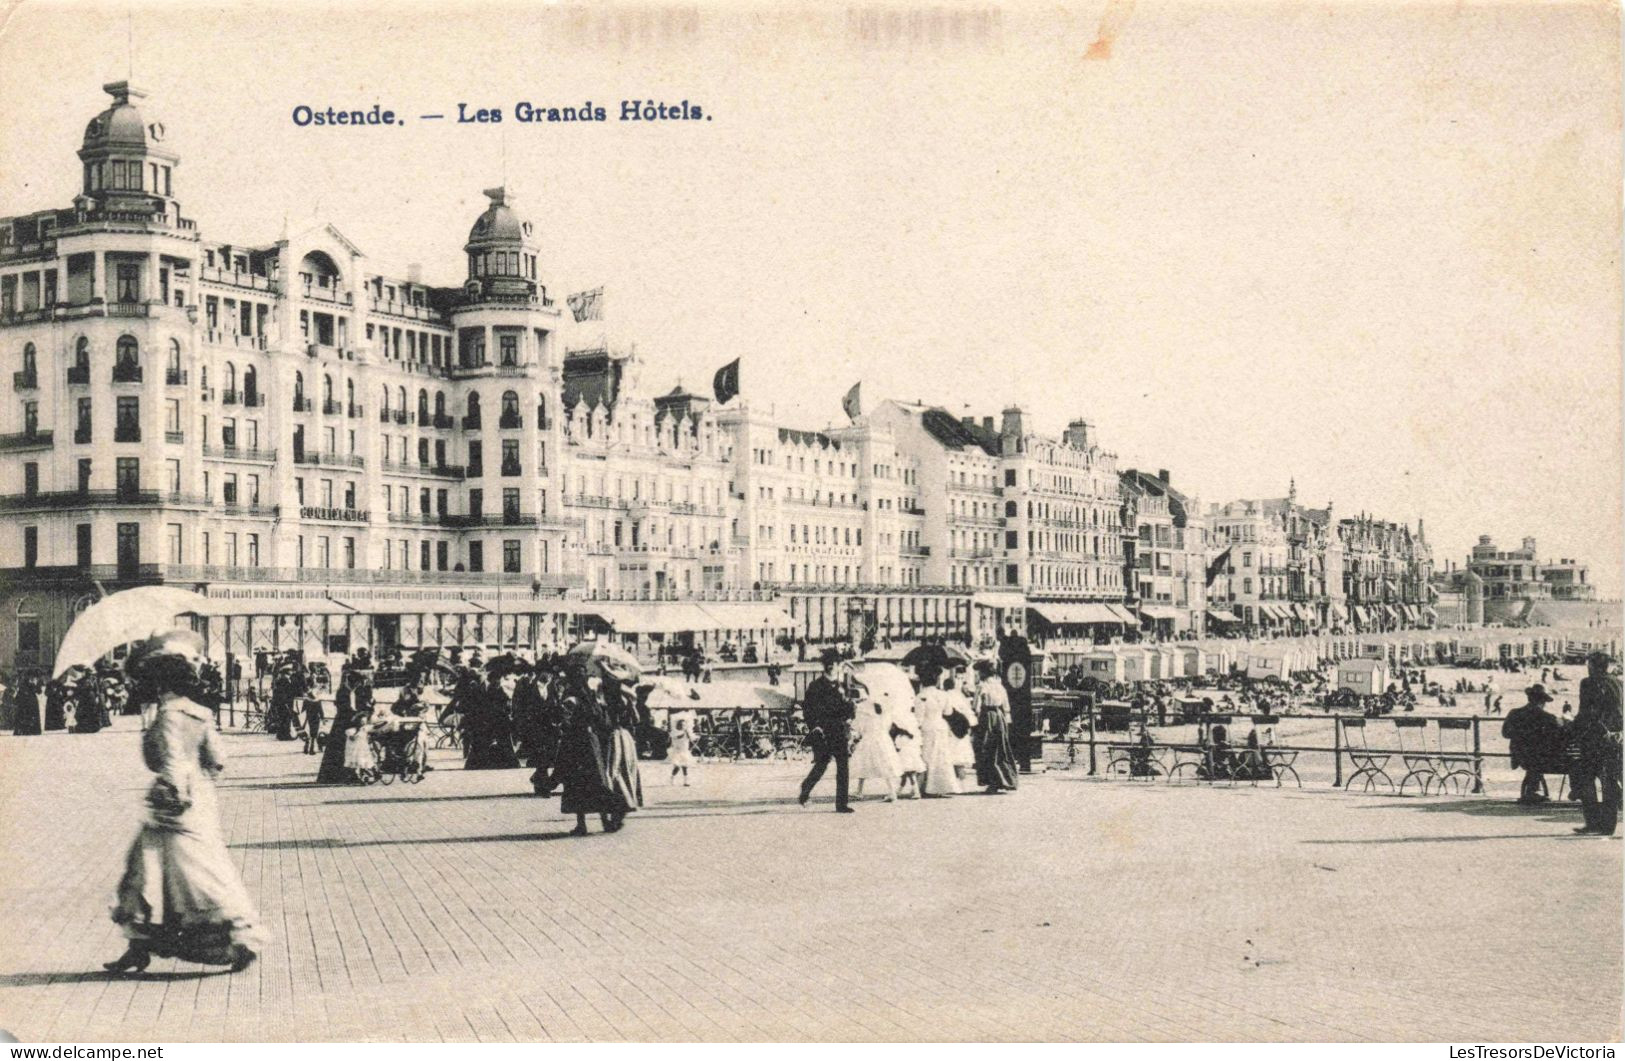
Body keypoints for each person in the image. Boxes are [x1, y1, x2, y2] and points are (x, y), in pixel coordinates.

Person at [104, 629, 265, 974]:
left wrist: (173, 787)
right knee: (200, 870)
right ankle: (235, 939)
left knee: (148, 874)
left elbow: (173, 760)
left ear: (161, 681)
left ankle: (142, 946)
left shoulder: (167, 715)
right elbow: (217, 759)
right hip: (202, 801)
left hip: (173, 805)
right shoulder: (200, 713)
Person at [1569, 653, 1622, 836]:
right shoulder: (1618, 683)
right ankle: (1608, 825)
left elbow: (1586, 712)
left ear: (1593, 665)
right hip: (1615, 738)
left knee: (1586, 779)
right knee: (1610, 782)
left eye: (1588, 664)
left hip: (1593, 738)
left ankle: (1593, 822)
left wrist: (1573, 728)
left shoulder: (1587, 683)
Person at [798, 649, 855, 812]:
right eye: (829, 664)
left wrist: (850, 713)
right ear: (825, 666)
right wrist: (814, 727)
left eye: (835, 663)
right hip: (822, 731)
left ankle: (841, 804)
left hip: (840, 731)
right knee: (821, 765)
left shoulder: (843, 685)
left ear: (838, 666)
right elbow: (807, 709)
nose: (832, 666)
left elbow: (849, 707)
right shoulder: (815, 686)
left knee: (843, 766)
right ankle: (805, 789)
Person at [1502, 684, 1563, 804]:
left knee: (1533, 760)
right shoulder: (1547, 717)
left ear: (1529, 698)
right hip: (1544, 759)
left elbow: (1505, 733)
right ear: (1542, 701)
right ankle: (1532, 791)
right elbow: (1561, 734)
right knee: (1537, 758)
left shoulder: (1514, 713)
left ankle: (1531, 791)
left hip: (1519, 756)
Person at [916, 661, 962, 797]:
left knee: (928, 756)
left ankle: (926, 787)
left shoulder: (921, 696)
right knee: (942, 756)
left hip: (927, 726)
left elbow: (918, 717)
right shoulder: (943, 695)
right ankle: (941, 786)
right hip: (941, 725)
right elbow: (948, 712)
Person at [972, 660, 1018, 793]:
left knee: (986, 748)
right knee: (1000, 747)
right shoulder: (1000, 686)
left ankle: (992, 781)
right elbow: (1006, 706)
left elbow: (976, 706)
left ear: (983, 672)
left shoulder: (982, 686)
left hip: (987, 717)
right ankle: (1005, 779)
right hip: (1000, 716)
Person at [850, 682, 901, 801]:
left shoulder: (863, 707)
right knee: (886, 763)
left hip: (869, 737)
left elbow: (859, 726)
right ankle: (892, 791)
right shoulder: (886, 706)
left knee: (863, 763)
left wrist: (858, 734)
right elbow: (888, 724)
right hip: (883, 737)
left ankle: (859, 790)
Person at [668, 708, 696, 786]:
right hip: (677, 751)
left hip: (684, 751)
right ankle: (672, 778)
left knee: (685, 767)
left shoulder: (686, 732)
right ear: (677, 725)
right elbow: (677, 737)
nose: (682, 726)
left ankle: (685, 781)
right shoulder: (674, 732)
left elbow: (691, 739)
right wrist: (685, 732)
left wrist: (690, 734)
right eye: (681, 725)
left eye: (684, 725)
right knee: (677, 767)